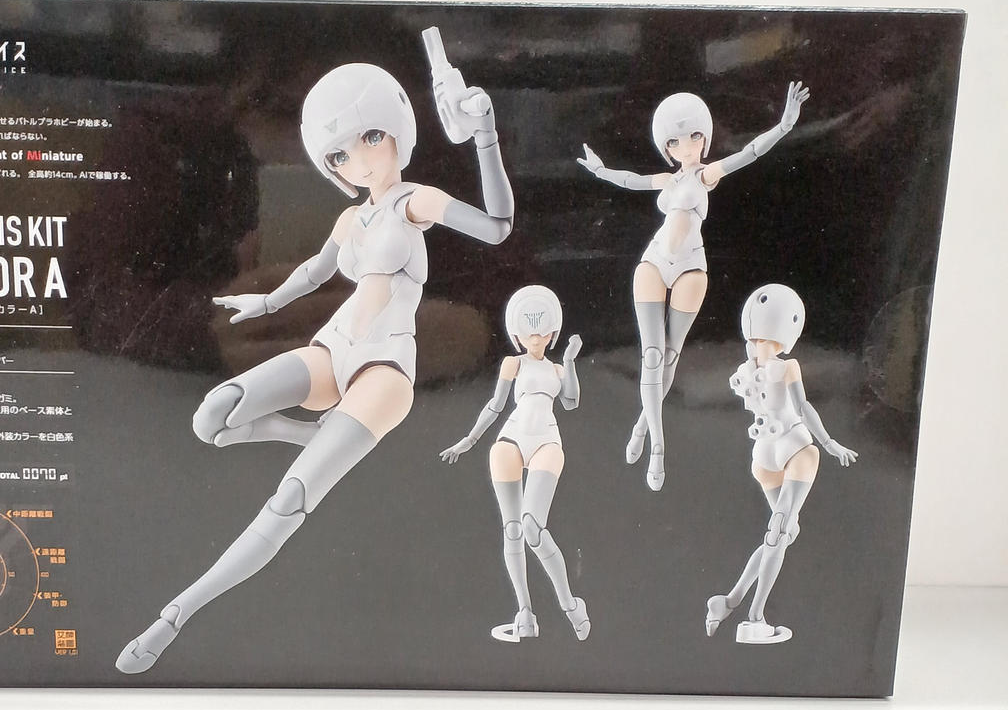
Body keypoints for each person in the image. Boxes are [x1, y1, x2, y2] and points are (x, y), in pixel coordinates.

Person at [117, 50, 515, 673]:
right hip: (334, 348)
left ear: (398, 129)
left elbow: (496, 227)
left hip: (384, 368)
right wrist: (266, 302)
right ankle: (301, 434)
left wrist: (485, 132)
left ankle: (175, 615)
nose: (360, 159)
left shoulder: (416, 202)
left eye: (371, 137)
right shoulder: (351, 217)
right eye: (339, 155)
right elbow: (316, 270)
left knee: (288, 501)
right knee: (213, 416)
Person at [577, 81, 810, 491]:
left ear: (704, 139)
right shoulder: (666, 180)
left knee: (669, 356)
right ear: (666, 147)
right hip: (654, 261)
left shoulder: (706, 175)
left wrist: (784, 126)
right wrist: (600, 171)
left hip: (690, 268)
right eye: (675, 141)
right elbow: (630, 180)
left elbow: (749, 153)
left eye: (694, 137)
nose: (686, 147)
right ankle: (658, 447)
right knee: (652, 355)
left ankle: (642, 425)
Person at [706, 284, 857, 644]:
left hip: (763, 455)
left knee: (785, 532)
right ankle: (755, 617)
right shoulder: (786, 366)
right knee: (777, 533)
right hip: (794, 447)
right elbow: (803, 408)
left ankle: (730, 600)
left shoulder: (746, 368)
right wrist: (829, 442)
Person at [439, 286, 589, 642]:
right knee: (513, 530)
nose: (535, 338)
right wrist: (469, 439)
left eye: (542, 332)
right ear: (518, 335)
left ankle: (569, 604)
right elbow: (495, 405)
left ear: (551, 334)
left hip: (546, 441)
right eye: (529, 333)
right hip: (512, 438)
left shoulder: (556, 369)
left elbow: (571, 402)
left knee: (533, 527)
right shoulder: (513, 363)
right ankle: (524, 610)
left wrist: (570, 362)